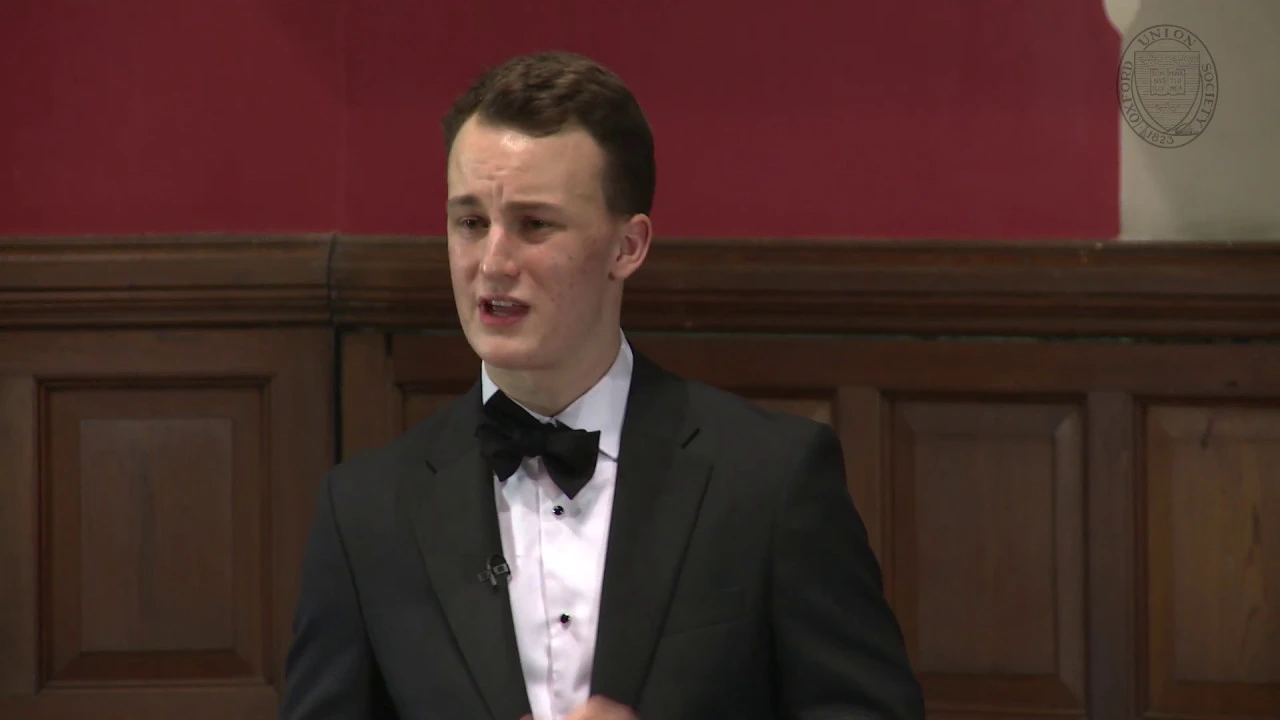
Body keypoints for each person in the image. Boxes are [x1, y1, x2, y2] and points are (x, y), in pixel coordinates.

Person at [278, 51, 925, 720]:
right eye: (471, 223)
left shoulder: (771, 480)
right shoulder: (365, 513)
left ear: (628, 247)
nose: (492, 263)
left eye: (534, 224)